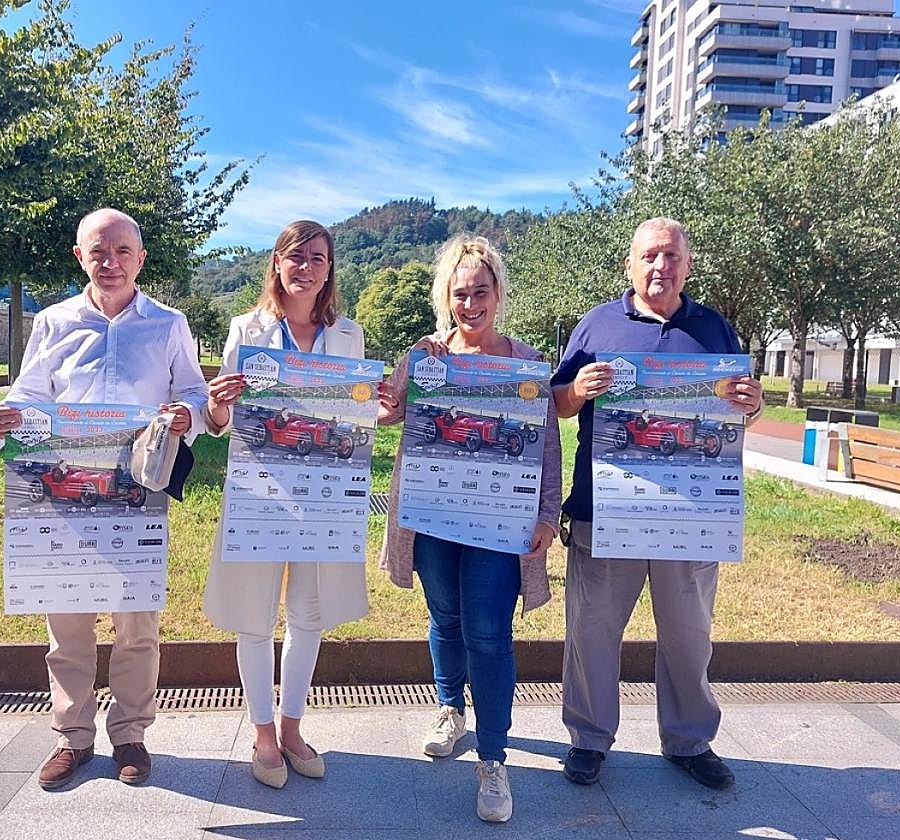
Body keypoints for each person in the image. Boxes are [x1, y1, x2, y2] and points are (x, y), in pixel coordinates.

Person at [0, 207, 208, 790]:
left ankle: (130, 734)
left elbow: (195, 393)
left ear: (141, 258)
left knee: (137, 625)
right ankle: (73, 738)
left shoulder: (168, 324)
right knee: (69, 626)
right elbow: (28, 396)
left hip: (137, 493)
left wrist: (190, 414)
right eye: (98, 252)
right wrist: (1, 420)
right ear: (79, 256)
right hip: (65, 494)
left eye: (122, 251)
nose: (111, 262)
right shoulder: (53, 321)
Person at [551, 217, 764, 791]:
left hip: (691, 516)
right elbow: (558, 403)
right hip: (605, 510)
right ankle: (588, 739)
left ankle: (690, 742)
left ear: (687, 265)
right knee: (592, 632)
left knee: (689, 634)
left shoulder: (714, 329)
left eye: (671, 256)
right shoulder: (597, 324)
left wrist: (753, 403)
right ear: (630, 264)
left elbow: (741, 412)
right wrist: (578, 390)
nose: (660, 266)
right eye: (649, 255)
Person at [201, 220, 393, 789]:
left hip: (324, 496)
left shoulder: (350, 336)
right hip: (260, 492)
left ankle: (291, 727)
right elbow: (221, 420)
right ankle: (262, 734)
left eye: (317, 258)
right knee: (254, 616)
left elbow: (353, 416)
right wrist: (217, 405)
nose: (306, 267)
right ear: (277, 263)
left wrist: (376, 411)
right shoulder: (246, 329)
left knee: (309, 614)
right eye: (296, 256)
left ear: (330, 269)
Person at [378, 234, 562, 823]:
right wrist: (388, 397)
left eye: (481, 291)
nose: (470, 303)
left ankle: (493, 757)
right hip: (433, 518)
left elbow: (547, 444)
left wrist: (547, 513)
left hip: (500, 523)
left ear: (498, 294)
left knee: (488, 634)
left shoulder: (525, 361)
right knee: (445, 618)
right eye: (460, 293)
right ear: (446, 297)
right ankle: (450, 708)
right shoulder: (426, 356)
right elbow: (387, 410)